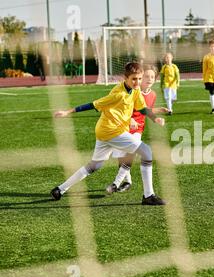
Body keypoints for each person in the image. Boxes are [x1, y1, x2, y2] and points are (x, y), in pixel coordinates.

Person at [51, 62, 166, 206]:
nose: (137, 82)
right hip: (112, 131)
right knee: (146, 151)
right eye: (134, 79)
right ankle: (148, 196)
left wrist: (155, 119)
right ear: (125, 78)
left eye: (139, 79)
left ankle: (60, 189)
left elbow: (142, 109)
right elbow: (94, 104)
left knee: (94, 166)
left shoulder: (135, 90)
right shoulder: (118, 94)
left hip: (104, 131)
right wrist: (68, 112)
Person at [106, 64, 166, 194]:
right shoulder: (133, 91)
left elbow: (144, 110)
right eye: (146, 76)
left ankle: (116, 183)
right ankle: (127, 182)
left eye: (152, 77)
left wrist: (156, 114)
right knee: (121, 157)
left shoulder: (153, 95)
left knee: (130, 153)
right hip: (122, 126)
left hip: (137, 129)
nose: (149, 79)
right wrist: (129, 119)